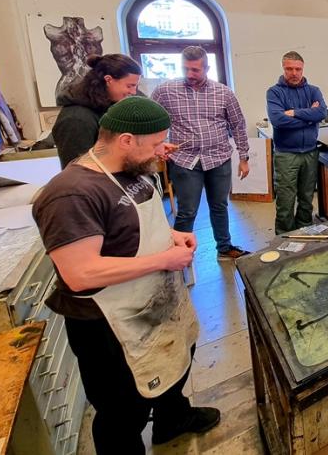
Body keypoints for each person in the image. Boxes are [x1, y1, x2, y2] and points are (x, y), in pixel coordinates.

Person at [32, 97, 220, 453]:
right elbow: (80, 273)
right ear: (126, 140)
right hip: (109, 324)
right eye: (157, 143)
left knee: (174, 364)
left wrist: (172, 236)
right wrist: (163, 259)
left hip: (153, 299)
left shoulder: (132, 170)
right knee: (122, 411)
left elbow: (131, 226)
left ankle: (172, 419)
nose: (163, 151)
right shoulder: (71, 194)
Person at [151, 46, 251, 259]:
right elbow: (149, 120)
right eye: (185, 69)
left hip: (218, 158)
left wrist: (244, 157)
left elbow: (238, 125)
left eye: (195, 70)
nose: (190, 74)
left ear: (207, 68)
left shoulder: (223, 92)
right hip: (184, 161)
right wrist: (157, 145)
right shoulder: (165, 91)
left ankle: (224, 247)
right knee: (187, 210)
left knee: (220, 206)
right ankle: (180, 255)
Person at [266, 51, 327, 234]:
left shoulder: (313, 90)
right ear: (283, 68)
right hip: (286, 155)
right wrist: (309, 117)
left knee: (307, 198)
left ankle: (304, 233)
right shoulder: (274, 92)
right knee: (285, 200)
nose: (294, 73)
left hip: (310, 152)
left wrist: (294, 113)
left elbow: (321, 113)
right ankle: (284, 238)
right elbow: (278, 120)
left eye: (298, 69)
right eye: (289, 69)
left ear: (303, 68)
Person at [53, 54, 141, 167]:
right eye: (129, 86)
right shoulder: (75, 119)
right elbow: (78, 169)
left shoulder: (110, 108)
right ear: (108, 80)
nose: (133, 92)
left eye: (135, 86)